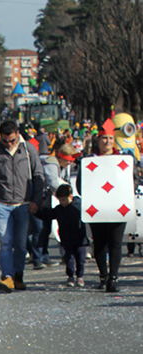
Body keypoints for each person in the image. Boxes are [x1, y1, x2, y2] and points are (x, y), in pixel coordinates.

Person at [0, 118, 44, 292]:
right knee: (6, 242)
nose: (8, 144)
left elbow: (38, 175)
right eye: (5, 140)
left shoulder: (29, 150)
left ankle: (18, 276)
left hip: (23, 204)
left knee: (21, 244)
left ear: (18, 135)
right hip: (2, 205)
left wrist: (36, 200)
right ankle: (7, 276)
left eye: (12, 140)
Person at [81, 119, 127, 292]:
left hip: (118, 207)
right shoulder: (89, 160)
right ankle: (103, 276)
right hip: (97, 208)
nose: (107, 141)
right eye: (104, 138)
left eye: (110, 138)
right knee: (99, 243)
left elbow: (131, 180)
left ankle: (113, 278)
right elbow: (81, 184)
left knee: (115, 242)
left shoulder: (122, 159)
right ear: (98, 140)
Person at [44, 183, 88, 287]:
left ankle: (80, 276)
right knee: (69, 259)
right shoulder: (59, 209)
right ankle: (71, 276)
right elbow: (48, 215)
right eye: (60, 200)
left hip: (80, 239)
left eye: (64, 199)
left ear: (71, 197)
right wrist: (37, 212)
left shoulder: (78, 207)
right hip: (67, 239)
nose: (62, 202)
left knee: (81, 260)